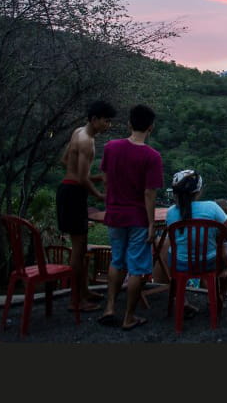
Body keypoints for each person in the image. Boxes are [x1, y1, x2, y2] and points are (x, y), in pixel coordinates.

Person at [97, 104, 163, 331]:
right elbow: (149, 193)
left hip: (114, 214)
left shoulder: (110, 148)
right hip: (137, 218)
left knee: (117, 261)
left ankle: (110, 308)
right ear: (151, 128)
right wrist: (152, 223)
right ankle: (129, 317)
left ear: (129, 124)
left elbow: (105, 178)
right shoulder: (152, 156)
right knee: (136, 268)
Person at [56, 99, 116, 313]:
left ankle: (84, 291)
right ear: (94, 119)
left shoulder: (77, 132)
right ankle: (76, 301)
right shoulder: (87, 141)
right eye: (106, 121)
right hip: (73, 194)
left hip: (68, 189)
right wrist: (99, 195)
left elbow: (65, 162)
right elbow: (81, 179)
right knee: (78, 250)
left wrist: (95, 177)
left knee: (80, 248)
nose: (108, 125)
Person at [161, 169, 227, 316]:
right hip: (209, 263)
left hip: (180, 264)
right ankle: (220, 296)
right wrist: (218, 240)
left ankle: (182, 300)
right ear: (198, 191)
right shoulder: (212, 207)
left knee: (170, 248)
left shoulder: (170, 212)